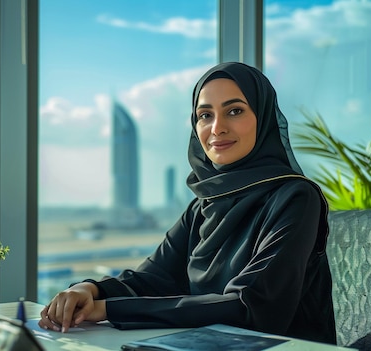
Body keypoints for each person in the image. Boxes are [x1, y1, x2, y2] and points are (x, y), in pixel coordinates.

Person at [38, 62, 337, 345]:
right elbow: (153, 278)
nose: (216, 128)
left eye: (234, 111)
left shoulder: (296, 198)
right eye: (205, 115)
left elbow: (250, 308)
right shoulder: (204, 205)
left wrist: (107, 310)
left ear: (263, 118)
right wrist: (89, 289)